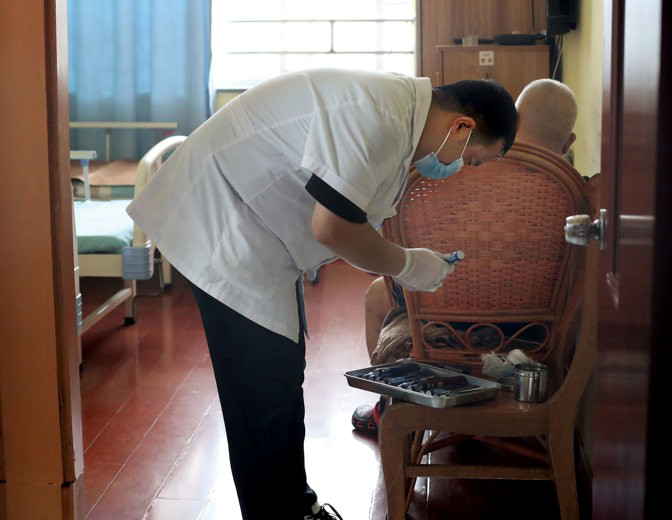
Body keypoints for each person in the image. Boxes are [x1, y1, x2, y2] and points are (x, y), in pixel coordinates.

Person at [126, 68, 518, 520]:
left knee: (280, 379)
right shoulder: (381, 115)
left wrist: (404, 261)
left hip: (259, 233)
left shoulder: (400, 117)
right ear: (462, 126)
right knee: (261, 393)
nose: (458, 170)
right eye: (472, 161)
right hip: (224, 222)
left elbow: (352, 220)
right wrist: (409, 265)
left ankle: (296, 506)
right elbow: (333, 228)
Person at [352, 78, 578, 435]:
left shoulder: (451, 174)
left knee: (378, 294)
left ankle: (388, 407)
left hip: (440, 327)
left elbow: (392, 259)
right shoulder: (575, 192)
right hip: (536, 333)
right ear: (569, 143)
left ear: (512, 123)